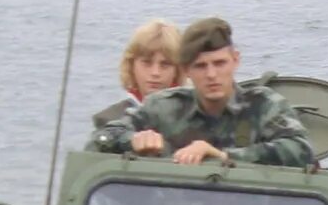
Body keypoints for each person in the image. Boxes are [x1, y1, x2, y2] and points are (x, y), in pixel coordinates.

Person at [126, 18, 314, 169]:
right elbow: (104, 138)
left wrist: (223, 157)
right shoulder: (163, 108)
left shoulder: (263, 106)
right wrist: (136, 141)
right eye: (200, 66)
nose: (211, 75)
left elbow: (301, 150)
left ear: (235, 60)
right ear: (186, 70)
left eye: (219, 63)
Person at [91, 19, 182, 131]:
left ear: (177, 70)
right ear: (131, 65)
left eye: (165, 64)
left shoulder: (194, 118)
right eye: (147, 63)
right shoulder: (108, 121)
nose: (155, 73)